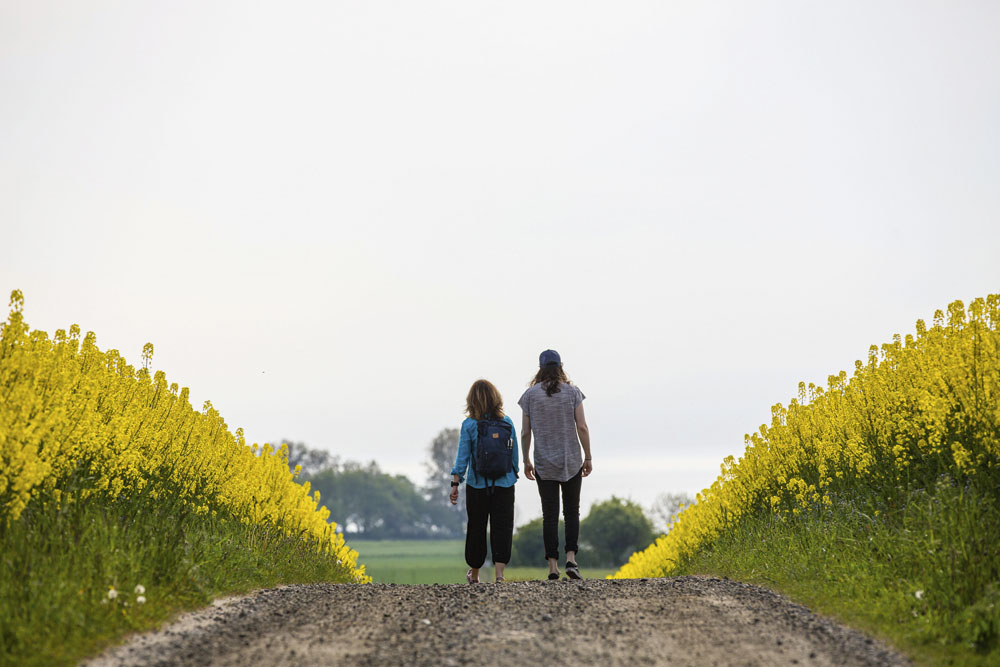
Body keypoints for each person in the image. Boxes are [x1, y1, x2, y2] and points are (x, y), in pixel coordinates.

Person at [519, 349, 592, 580]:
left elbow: (524, 432)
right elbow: (582, 427)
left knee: (549, 515)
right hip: (571, 460)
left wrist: (526, 459)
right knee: (572, 511)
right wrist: (588, 456)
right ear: (560, 367)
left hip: (543, 463)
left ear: (540, 369)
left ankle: (552, 566)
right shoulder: (573, 392)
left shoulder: (530, 396)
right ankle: (571, 559)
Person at [450, 379, 519, 583]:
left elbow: (462, 457)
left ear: (472, 400)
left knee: (477, 527)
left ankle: (476, 575)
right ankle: (499, 575)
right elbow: (514, 454)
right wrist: (512, 475)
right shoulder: (507, 422)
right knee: (503, 527)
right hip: (504, 484)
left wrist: (455, 483)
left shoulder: (469, 424)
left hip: (477, 484)